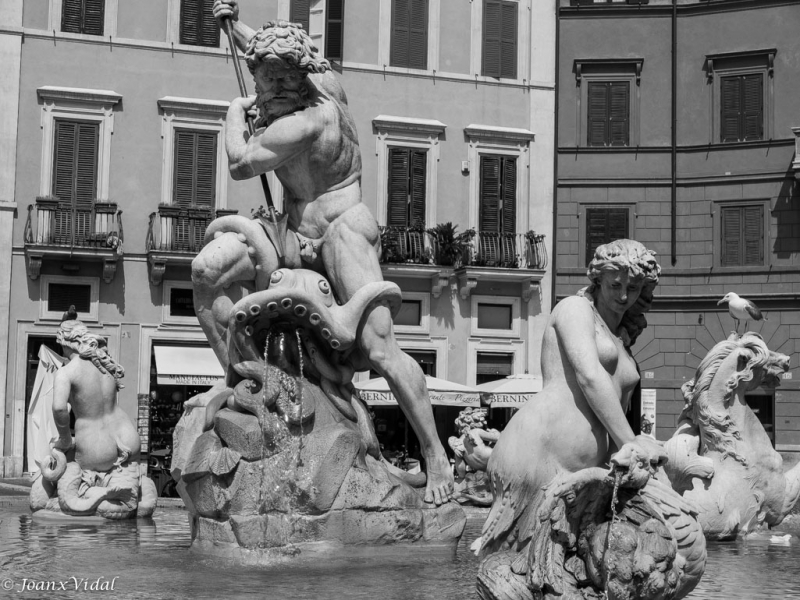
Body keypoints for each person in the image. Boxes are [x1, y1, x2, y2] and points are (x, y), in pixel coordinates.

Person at [206, 0, 453, 505]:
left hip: (342, 231)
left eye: (278, 81)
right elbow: (266, 52)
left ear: (302, 78)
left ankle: (435, 455)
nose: (268, 91)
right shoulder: (318, 76)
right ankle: (240, 381)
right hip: (289, 236)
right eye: (262, 80)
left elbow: (239, 163)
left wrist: (234, 111)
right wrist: (235, 28)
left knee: (382, 349)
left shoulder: (307, 121)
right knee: (207, 272)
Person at [479, 239, 666, 555]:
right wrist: (631, 443)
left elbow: (614, 404)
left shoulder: (621, 338)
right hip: (537, 452)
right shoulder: (574, 309)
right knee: (510, 562)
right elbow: (589, 376)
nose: (623, 295)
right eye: (615, 284)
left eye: (633, 288)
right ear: (597, 279)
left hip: (583, 473)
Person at [52, 320, 141, 473]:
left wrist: (65, 438)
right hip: (128, 434)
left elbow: (59, 408)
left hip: (96, 443)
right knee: (129, 488)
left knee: (79, 490)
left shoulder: (66, 372)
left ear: (65, 344)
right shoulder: (105, 365)